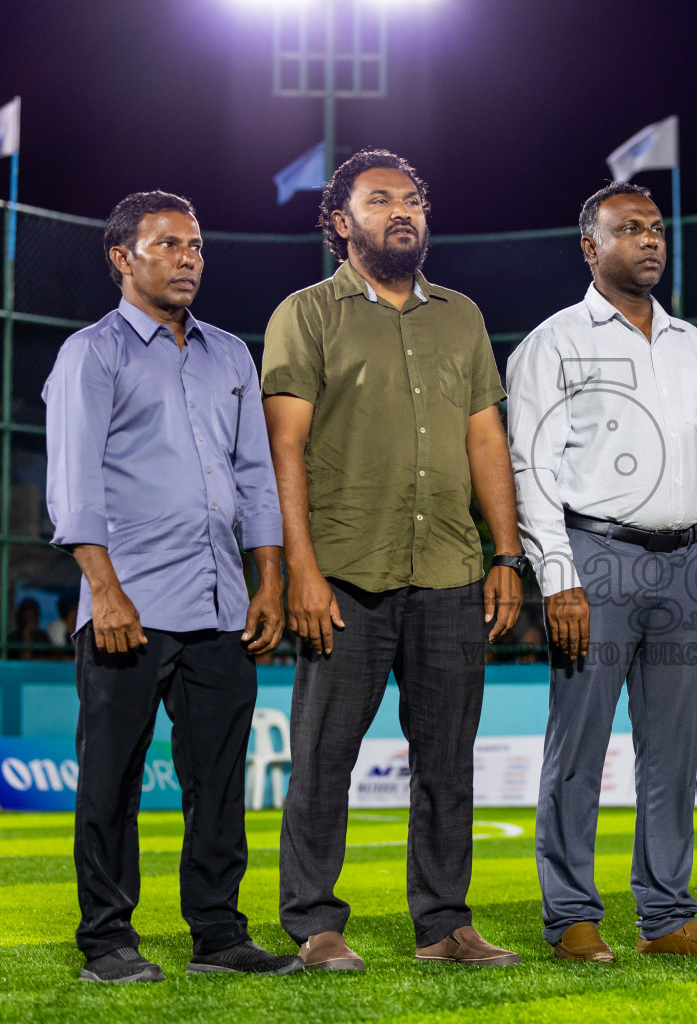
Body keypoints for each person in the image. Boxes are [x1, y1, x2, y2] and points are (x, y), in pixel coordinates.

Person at [263, 149, 524, 971]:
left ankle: (445, 923)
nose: (403, 211)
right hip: (343, 575)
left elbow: (487, 438)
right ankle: (315, 923)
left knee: (447, 762)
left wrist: (508, 553)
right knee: (322, 759)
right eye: (381, 201)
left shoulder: (462, 316)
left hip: (449, 569)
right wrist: (301, 568)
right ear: (341, 222)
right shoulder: (305, 314)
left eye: (412, 199)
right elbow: (285, 447)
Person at [44, 191, 296, 983]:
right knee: (111, 779)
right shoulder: (93, 352)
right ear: (122, 258)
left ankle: (219, 937)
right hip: (128, 605)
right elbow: (73, 479)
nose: (188, 257)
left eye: (194, 245)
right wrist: (105, 591)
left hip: (224, 604)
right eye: (167, 244)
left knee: (218, 783)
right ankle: (108, 942)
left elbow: (255, 474)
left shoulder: (229, 355)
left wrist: (270, 579)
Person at [507, 182, 697, 963]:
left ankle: (667, 917)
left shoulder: (690, 343)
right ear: (590, 246)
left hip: (687, 565)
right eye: (628, 230)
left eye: (655, 229)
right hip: (594, 557)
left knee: (674, 751)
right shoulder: (553, 342)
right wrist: (557, 577)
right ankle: (572, 916)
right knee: (577, 746)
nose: (649, 240)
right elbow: (529, 466)